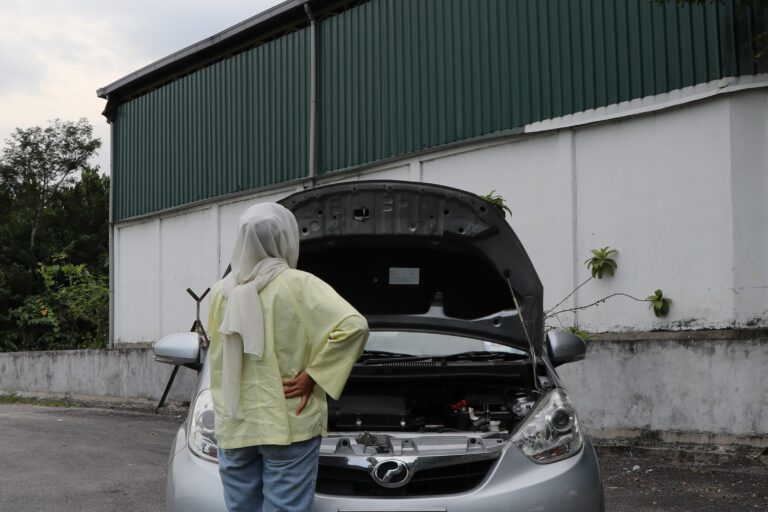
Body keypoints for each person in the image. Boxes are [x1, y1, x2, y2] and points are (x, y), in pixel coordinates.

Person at [207, 202, 369, 512]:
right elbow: (354, 326)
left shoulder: (220, 292)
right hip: (287, 419)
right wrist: (315, 375)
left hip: (234, 422)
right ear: (285, 238)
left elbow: (217, 355)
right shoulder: (298, 284)